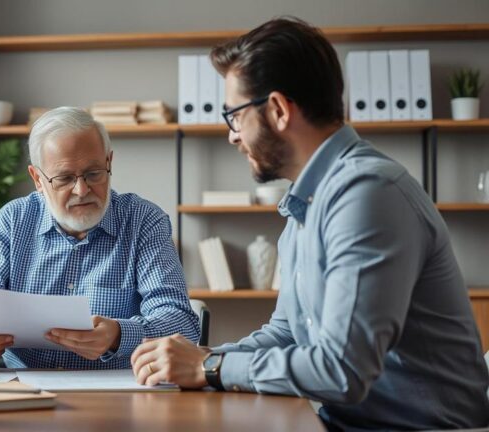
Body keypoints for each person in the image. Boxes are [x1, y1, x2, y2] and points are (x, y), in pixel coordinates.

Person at [131, 17, 489, 431]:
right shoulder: (308, 201)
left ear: (279, 110)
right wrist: (199, 361)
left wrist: (212, 366)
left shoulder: (367, 194)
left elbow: (342, 371)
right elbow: (286, 332)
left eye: (234, 116)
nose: (231, 135)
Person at [0, 106, 200, 370]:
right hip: (23, 388)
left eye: (93, 173)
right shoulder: (11, 223)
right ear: (38, 179)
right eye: (64, 178)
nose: (82, 190)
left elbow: (183, 326)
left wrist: (119, 336)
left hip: (116, 398)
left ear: (109, 163)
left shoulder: (143, 221)